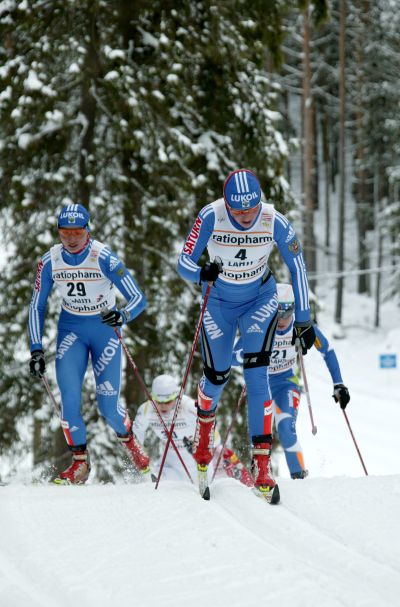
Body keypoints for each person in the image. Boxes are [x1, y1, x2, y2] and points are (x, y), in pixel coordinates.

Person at [176, 169, 315, 503]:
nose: (244, 217)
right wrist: (200, 273)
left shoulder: (274, 221)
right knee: (217, 375)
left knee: (258, 377)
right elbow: (184, 262)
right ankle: (203, 443)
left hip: (259, 300)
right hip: (219, 304)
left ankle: (262, 465)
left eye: (250, 210)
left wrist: (304, 319)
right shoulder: (210, 215)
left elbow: (297, 266)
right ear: (226, 204)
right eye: (237, 212)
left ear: (260, 201)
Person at [28, 203, 150, 484]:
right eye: (64, 233)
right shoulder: (50, 261)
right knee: (69, 399)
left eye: (77, 233)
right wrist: (36, 348)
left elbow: (138, 298)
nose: (71, 239)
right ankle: (80, 463)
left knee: (108, 406)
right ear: (58, 232)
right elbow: (37, 305)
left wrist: (123, 315)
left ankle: (130, 442)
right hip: (71, 330)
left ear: (88, 231)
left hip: (103, 330)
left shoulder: (103, 257)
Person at [233, 283, 350, 479]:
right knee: (259, 435)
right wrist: (248, 354)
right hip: (260, 384)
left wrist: (338, 383)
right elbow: (231, 357)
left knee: (286, 428)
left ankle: (299, 477)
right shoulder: (258, 325)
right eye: (278, 314)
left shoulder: (301, 327)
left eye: (287, 314)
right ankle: (260, 477)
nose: (282, 320)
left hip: (287, 382)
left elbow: (327, 350)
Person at [132, 374, 253, 486]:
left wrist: (197, 444)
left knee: (214, 476)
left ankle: (247, 485)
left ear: (176, 395)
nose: (163, 406)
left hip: (198, 466)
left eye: (168, 401)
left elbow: (215, 438)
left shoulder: (188, 407)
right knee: (154, 485)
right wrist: (140, 454)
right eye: (158, 402)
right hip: (170, 465)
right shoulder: (146, 410)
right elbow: (136, 439)